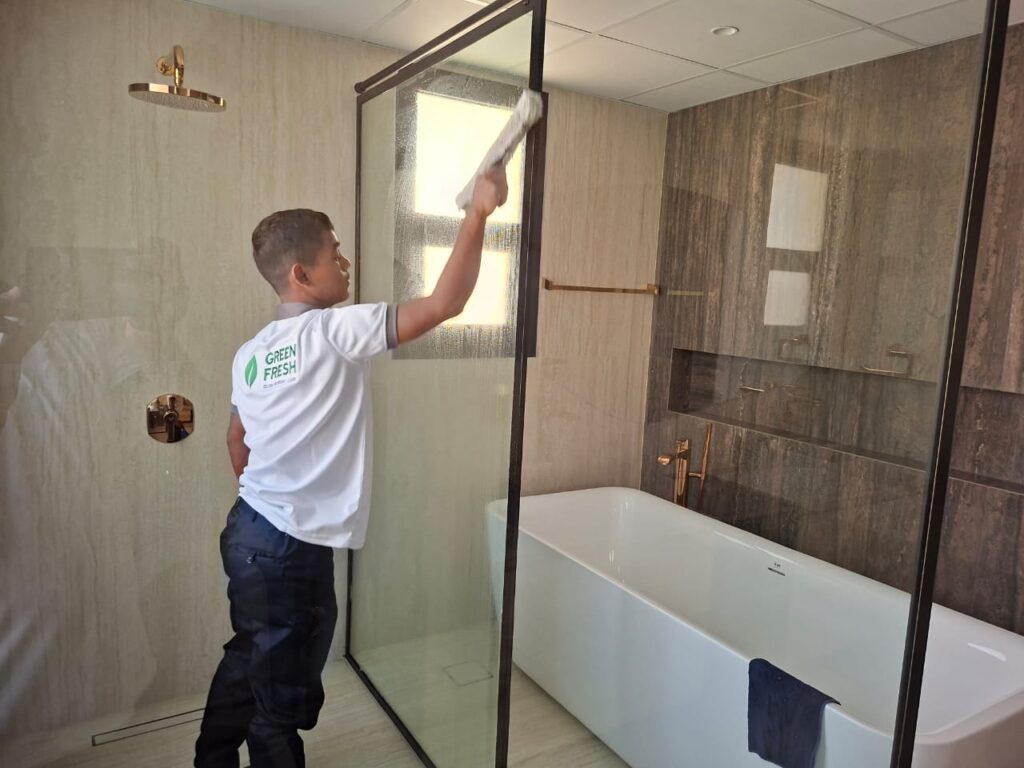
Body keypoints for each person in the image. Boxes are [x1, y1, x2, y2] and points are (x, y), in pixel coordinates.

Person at [193, 168, 509, 768]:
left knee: (251, 652)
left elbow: (237, 442)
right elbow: (446, 304)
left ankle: (210, 760)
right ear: (300, 274)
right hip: (288, 547)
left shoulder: (252, 353)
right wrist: (477, 215)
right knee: (281, 698)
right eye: (335, 255)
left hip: (249, 530)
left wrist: (272, 498)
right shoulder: (337, 330)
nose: (346, 264)